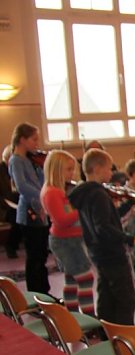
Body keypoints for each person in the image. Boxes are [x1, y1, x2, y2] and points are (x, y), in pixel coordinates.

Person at [68, 149, 135, 325]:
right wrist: (130, 239)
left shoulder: (84, 192)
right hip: (111, 253)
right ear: (97, 168)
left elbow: (109, 219)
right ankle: (125, 337)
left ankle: (106, 331)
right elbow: (103, 227)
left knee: (106, 296)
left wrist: (128, 203)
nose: (112, 173)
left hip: (98, 252)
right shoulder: (98, 194)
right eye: (108, 168)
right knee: (125, 300)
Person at [39, 150, 95, 316]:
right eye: (68, 170)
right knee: (85, 278)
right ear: (56, 170)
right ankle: (89, 318)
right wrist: (81, 207)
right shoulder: (52, 192)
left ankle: (73, 316)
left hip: (72, 239)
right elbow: (62, 220)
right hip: (65, 242)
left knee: (72, 279)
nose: (72, 174)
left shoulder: (60, 190)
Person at [8, 123, 50, 293]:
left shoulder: (31, 160)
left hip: (41, 211)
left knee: (42, 253)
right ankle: (35, 292)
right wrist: (42, 196)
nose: (37, 143)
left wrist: (43, 171)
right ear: (22, 140)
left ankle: (44, 290)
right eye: (34, 139)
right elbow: (22, 186)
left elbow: (40, 182)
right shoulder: (16, 160)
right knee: (34, 256)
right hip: (29, 212)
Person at [1, 146, 22, 259]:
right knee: (16, 216)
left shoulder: (18, 170)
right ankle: (11, 245)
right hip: (4, 206)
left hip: (17, 202)